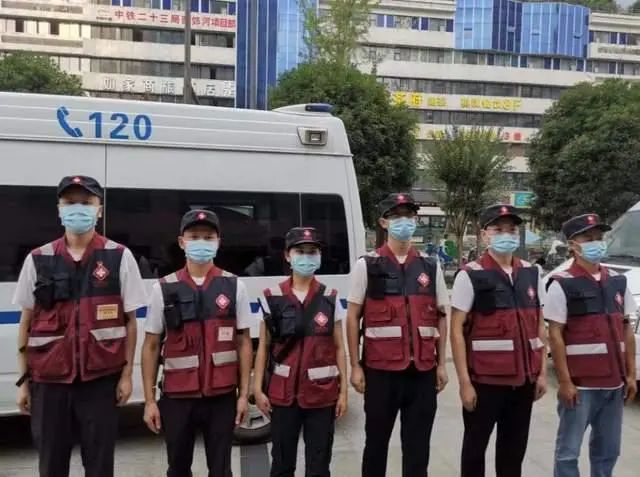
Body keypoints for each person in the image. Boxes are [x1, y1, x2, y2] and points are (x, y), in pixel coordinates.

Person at [14, 175, 147, 477]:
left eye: (86, 202)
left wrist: (127, 376)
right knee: (51, 464)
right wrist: (23, 382)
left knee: (99, 465)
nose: (78, 208)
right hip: (49, 382)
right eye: (70, 202)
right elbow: (26, 322)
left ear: (99, 210)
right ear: (59, 209)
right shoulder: (38, 259)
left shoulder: (118, 256)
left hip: (100, 381)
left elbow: (130, 322)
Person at [140, 209, 253, 477]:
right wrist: (149, 401)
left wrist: (243, 396)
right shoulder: (163, 288)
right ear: (182, 242)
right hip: (177, 398)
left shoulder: (234, 286)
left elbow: (243, 342)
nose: (201, 242)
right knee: (178, 469)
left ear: (218, 242)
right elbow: (151, 345)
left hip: (222, 397)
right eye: (194, 236)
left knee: (221, 470)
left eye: (208, 237)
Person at [346, 192, 449, 477]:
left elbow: (442, 316)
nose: (405, 222)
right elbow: (352, 317)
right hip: (381, 372)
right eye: (397, 216)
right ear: (384, 222)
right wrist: (355, 366)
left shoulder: (431, 265)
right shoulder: (368, 265)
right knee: (376, 444)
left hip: (422, 372)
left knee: (418, 448)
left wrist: (441, 364)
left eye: (409, 216)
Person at [450, 204, 547, 477]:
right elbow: (456, 331)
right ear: (484, 235)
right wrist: (464, 383)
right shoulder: (470, 274)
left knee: (513, 454)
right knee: (474, 451)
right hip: (485, 383)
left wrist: (541, 373)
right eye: (498, 230)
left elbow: (539, 325)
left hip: (523, 383)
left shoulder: (531, 273)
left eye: (512, 230)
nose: (507, 235)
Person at [546, 213, 637, 477]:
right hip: (580, 386)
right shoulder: (562, 284)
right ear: (573, 245)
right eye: (588, 238)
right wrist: (565, 382)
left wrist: (631, 374)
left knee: (608, 452)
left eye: (599, 237)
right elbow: (555, 335)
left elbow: (627, 328)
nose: (596, 242)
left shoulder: (618, 281)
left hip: (614, 385)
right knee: (568, 453)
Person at [253, 227, 348, 477]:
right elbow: (263, 347)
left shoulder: (330, 297)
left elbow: (339, 347)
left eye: (312, 252)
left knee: (319, 465)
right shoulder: (271, 298)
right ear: (287, 255)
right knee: (282, 464)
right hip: (283, 396)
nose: (307, 257)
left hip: (322, 395)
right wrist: (257, 389)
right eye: (300, 251)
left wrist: (343, 393)